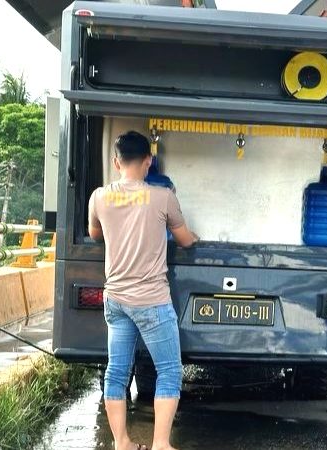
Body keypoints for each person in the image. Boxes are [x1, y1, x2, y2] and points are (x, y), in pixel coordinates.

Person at [89, 130, 198, 450]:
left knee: (117, 372)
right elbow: (185, 239)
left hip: (116, 300)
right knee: (168, 370)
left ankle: (122, 442)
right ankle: (161, 444)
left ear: (115, 162)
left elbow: (95, 234)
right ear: (149, 162)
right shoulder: (162, 197)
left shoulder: (99, 197)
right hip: (151, 300)